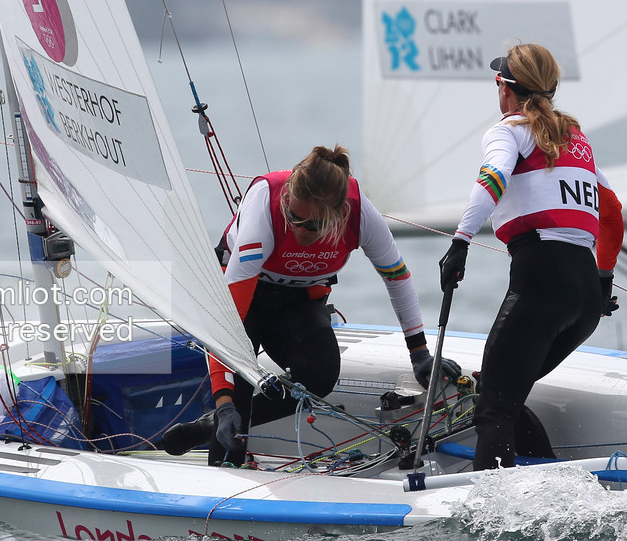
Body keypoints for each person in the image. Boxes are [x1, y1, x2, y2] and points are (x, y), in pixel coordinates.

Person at [162, 144, 459, 465]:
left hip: (298, 303)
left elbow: (397, 277)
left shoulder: (360, 215)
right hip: (245, 298)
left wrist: (419, 354)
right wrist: (224, 404)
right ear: (287, 201)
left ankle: (207, 427)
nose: (298, 229)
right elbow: (227, 322)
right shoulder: (264, 210)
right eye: (293, 216)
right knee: (237, 408)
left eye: (313, 225)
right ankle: (223, 428)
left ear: (339, 214)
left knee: (320, 376)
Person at [437, 44, 623, 470]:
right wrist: (604, 279)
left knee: (493, 407)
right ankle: (555, 486)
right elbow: (612, 213)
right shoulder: (576, 139)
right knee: (504, 395)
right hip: (585, 298)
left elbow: (494, 177)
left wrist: (461, 241)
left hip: (542, 283)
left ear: (503, 87)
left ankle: (495, 506)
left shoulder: (507, 131)